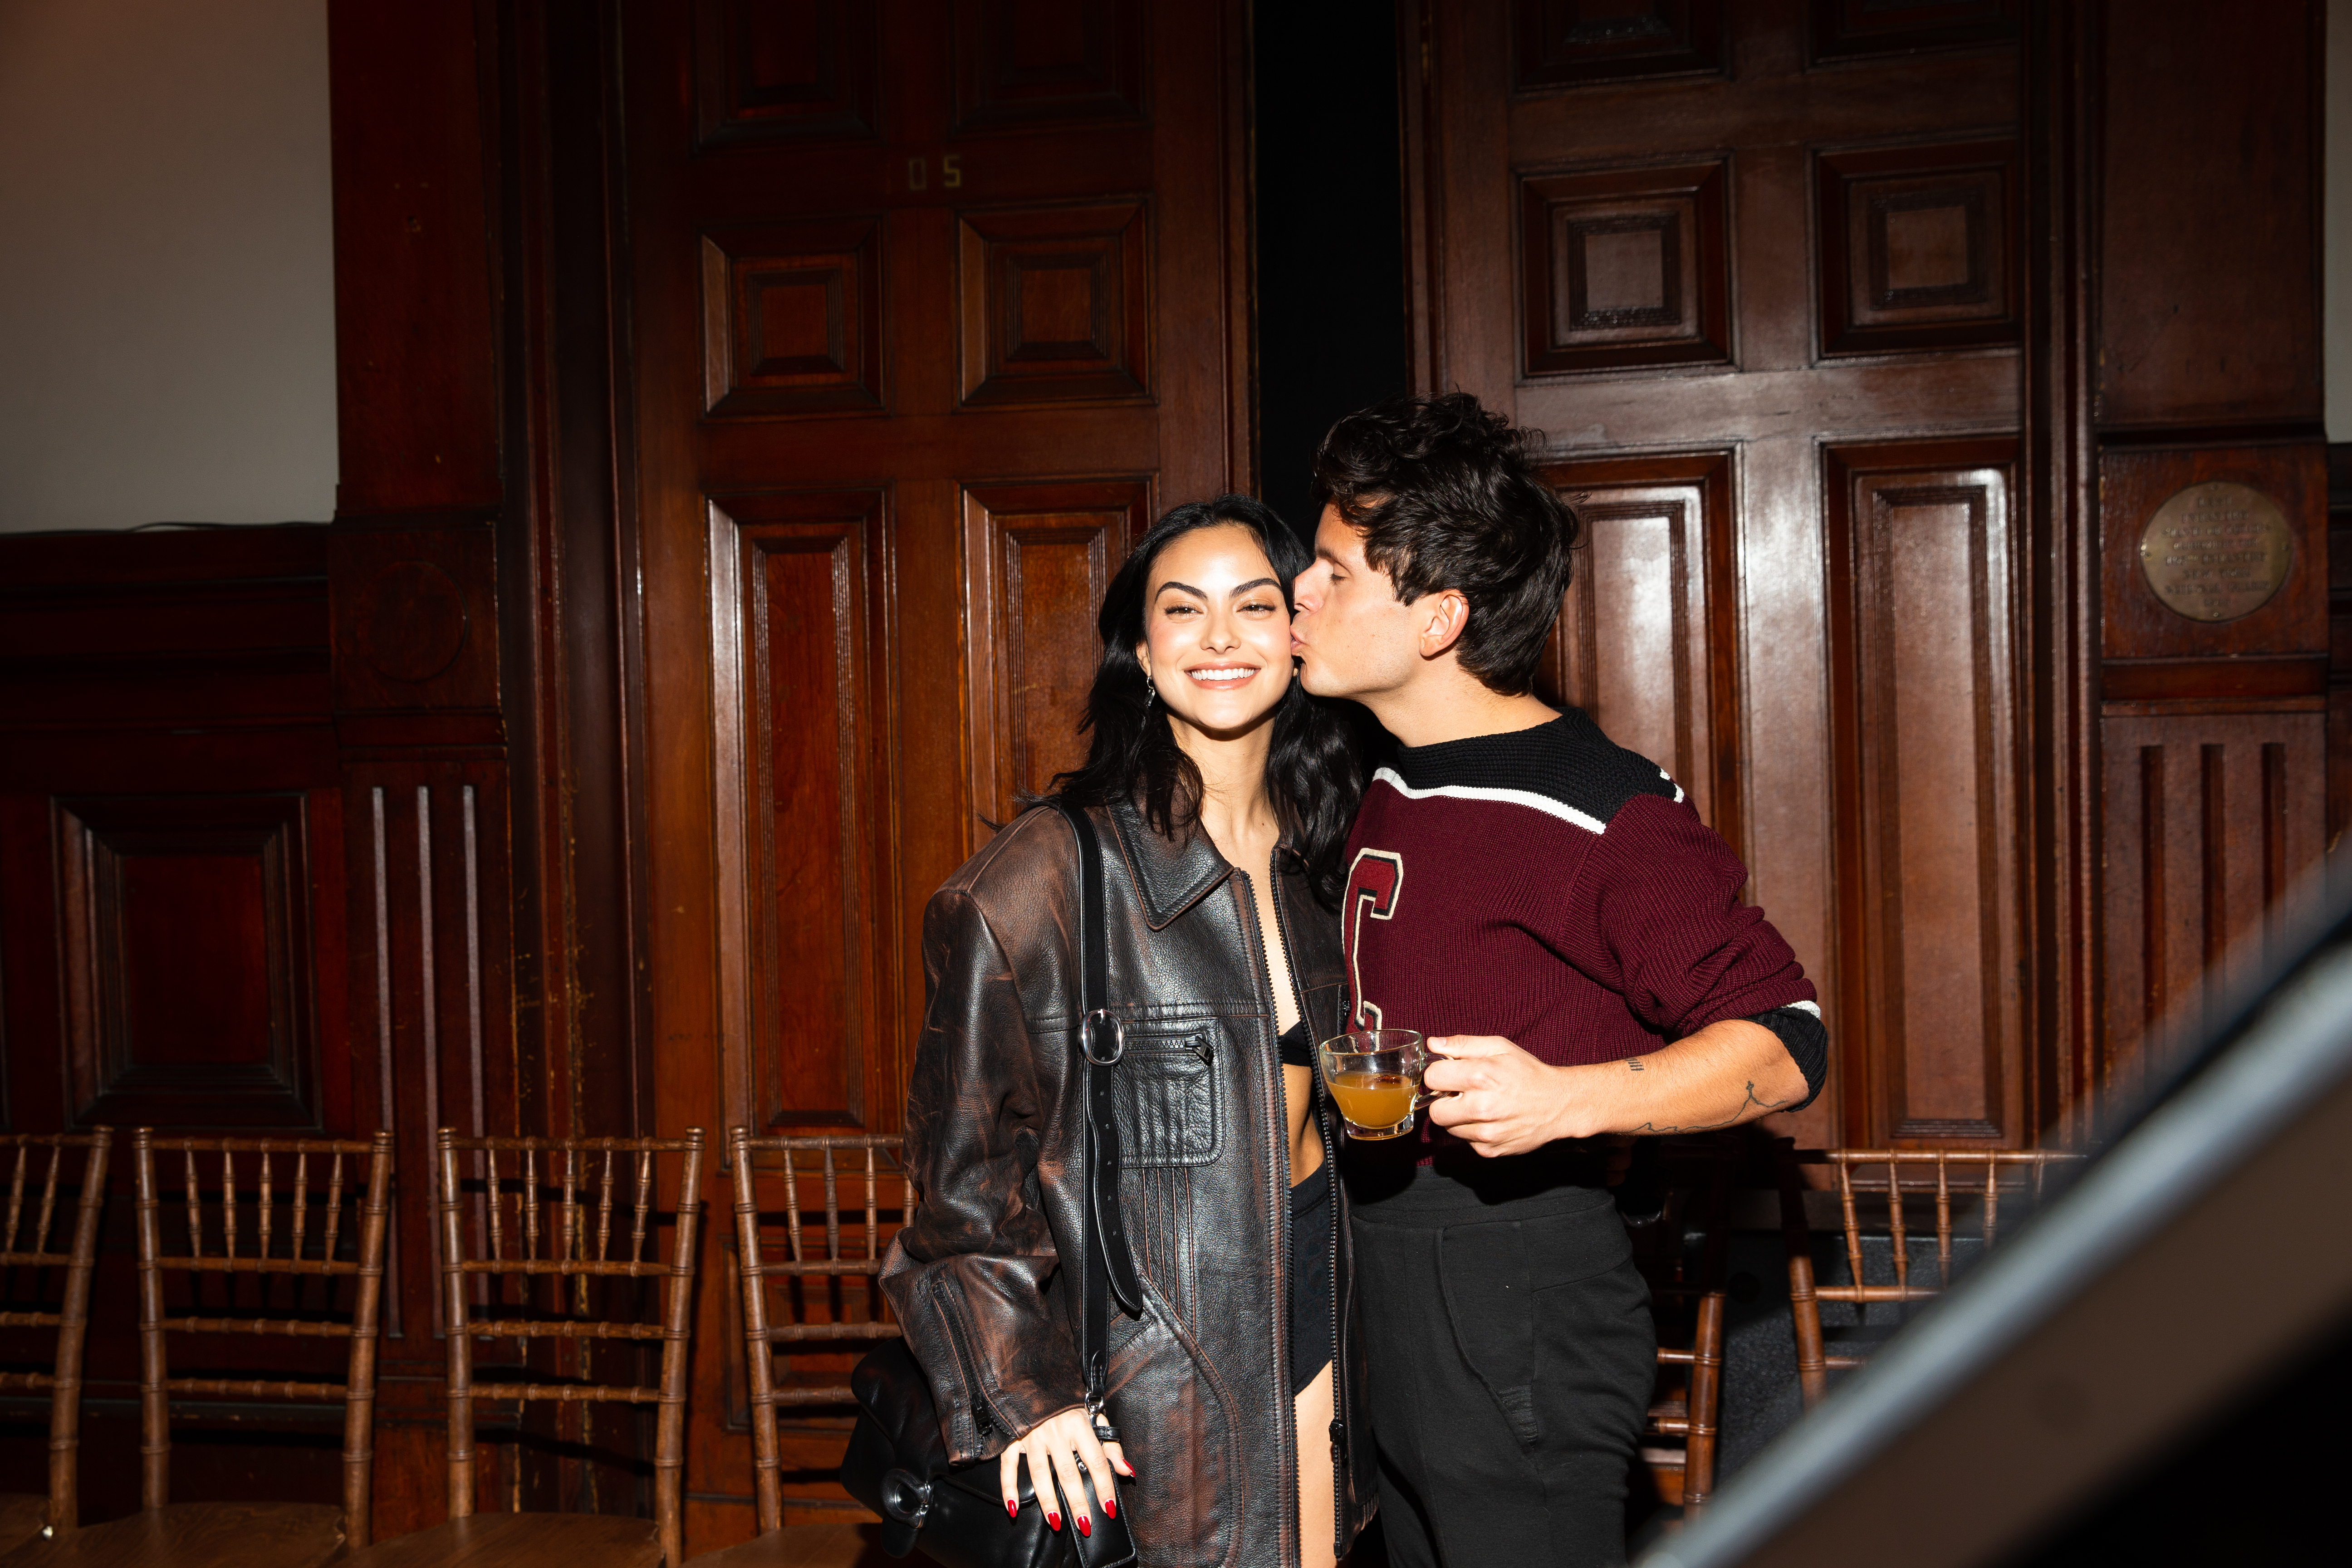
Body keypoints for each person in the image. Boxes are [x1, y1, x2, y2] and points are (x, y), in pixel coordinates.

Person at [1288, 393, 1828, 1567]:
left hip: (1516, 1279)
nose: (1301, 596)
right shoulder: (1385, 776)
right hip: (1381, 1262)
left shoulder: (1600, 807)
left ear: (1438, 618)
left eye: (1332, 575)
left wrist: (1573, 1101)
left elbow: (1786, 1041)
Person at [880, 496, 1377, 1568]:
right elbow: (958, 1194)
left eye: (1254, 606)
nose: (1220, 638)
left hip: (1324, 1331)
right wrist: (1028, 1393)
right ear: (1143, 654)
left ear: (1299, 638)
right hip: (1145, 1388)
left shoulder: (1338, 867)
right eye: (1182, 610)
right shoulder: (1044, 877)